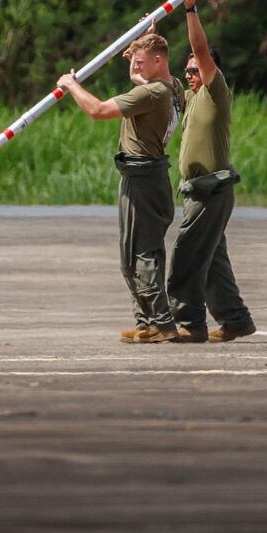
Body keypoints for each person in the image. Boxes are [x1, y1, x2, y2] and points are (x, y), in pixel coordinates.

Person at [60, 31, 186, 343]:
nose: (137, 67)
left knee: (140, 254)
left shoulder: (152, 94)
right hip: (150, 174)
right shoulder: (173, 88)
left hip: (143, 177)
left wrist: (71, 84)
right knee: (137, 252)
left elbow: (98, 110)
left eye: (142, 63)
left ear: (159, 60)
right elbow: (154, 86)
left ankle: (161, 322)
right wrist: (146, 38)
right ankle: (147, 322)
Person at [168, 0, 256, 343]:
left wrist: (191, 10)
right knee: (213, 262)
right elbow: (160, 80)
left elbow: (199, 49)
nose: (190, 75)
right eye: (186, 71)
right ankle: (235, 320)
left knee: (188, 255)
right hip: (196, 191)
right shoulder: (190, 99)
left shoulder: (215, 92)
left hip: (212, 188)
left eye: (195, 70)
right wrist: (149, 37)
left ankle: (190, 323)